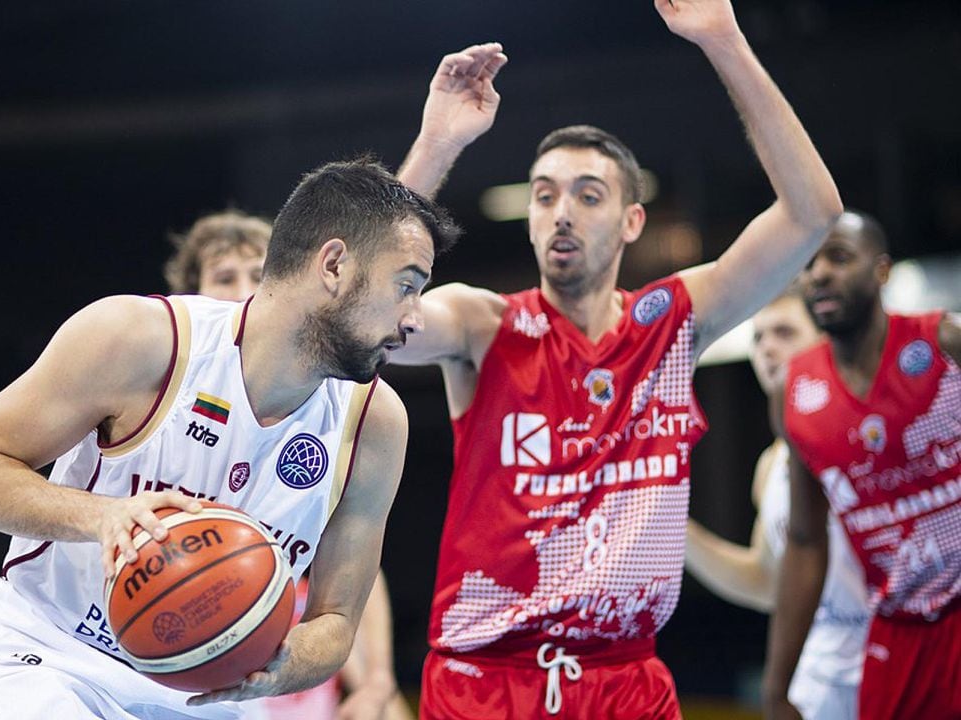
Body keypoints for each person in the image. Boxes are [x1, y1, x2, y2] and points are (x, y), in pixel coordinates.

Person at [391, 1, 844, 716]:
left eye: (587, 194)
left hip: (625, 682)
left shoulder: (671, 322)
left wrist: (722, 38)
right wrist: (436, 145)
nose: (561, 212)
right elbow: (367, 308)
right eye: (544, 196)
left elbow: (813, 211)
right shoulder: (484, 324)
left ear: (634, 220)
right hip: (486, 681)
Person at [0, 158, 461, 719]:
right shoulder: (137, 338)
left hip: (206, 697)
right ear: (332, 265)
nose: (416, 319)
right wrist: (104, 517)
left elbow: (334, 622)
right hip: (53, 657)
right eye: (407, 287)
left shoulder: (376, 424)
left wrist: (276, 660)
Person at [164, 208, 416, 720]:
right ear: (191, 294)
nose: (242, 290)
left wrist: (378, 682)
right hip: (162, 630)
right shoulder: (162, 377)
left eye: (256, 276)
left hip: (275, 655)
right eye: (224, 277)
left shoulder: (332, 404)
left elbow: (353, 572)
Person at [762, 210, 961, 720]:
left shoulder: (943, 342)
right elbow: (806, 542)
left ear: (882, 270)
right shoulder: (795, 392)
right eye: (808, 264)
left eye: (839, 257)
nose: (820, 273)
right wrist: (777, 686)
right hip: (899, 631)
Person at [685, 289, 870, 719]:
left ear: (826, 340)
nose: (767, 348)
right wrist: (674, 530)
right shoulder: (772, 464)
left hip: (893, 668)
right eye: (758, 337)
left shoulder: (878, 432)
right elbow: (770, 582)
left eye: (784, 333)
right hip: (817, 684)